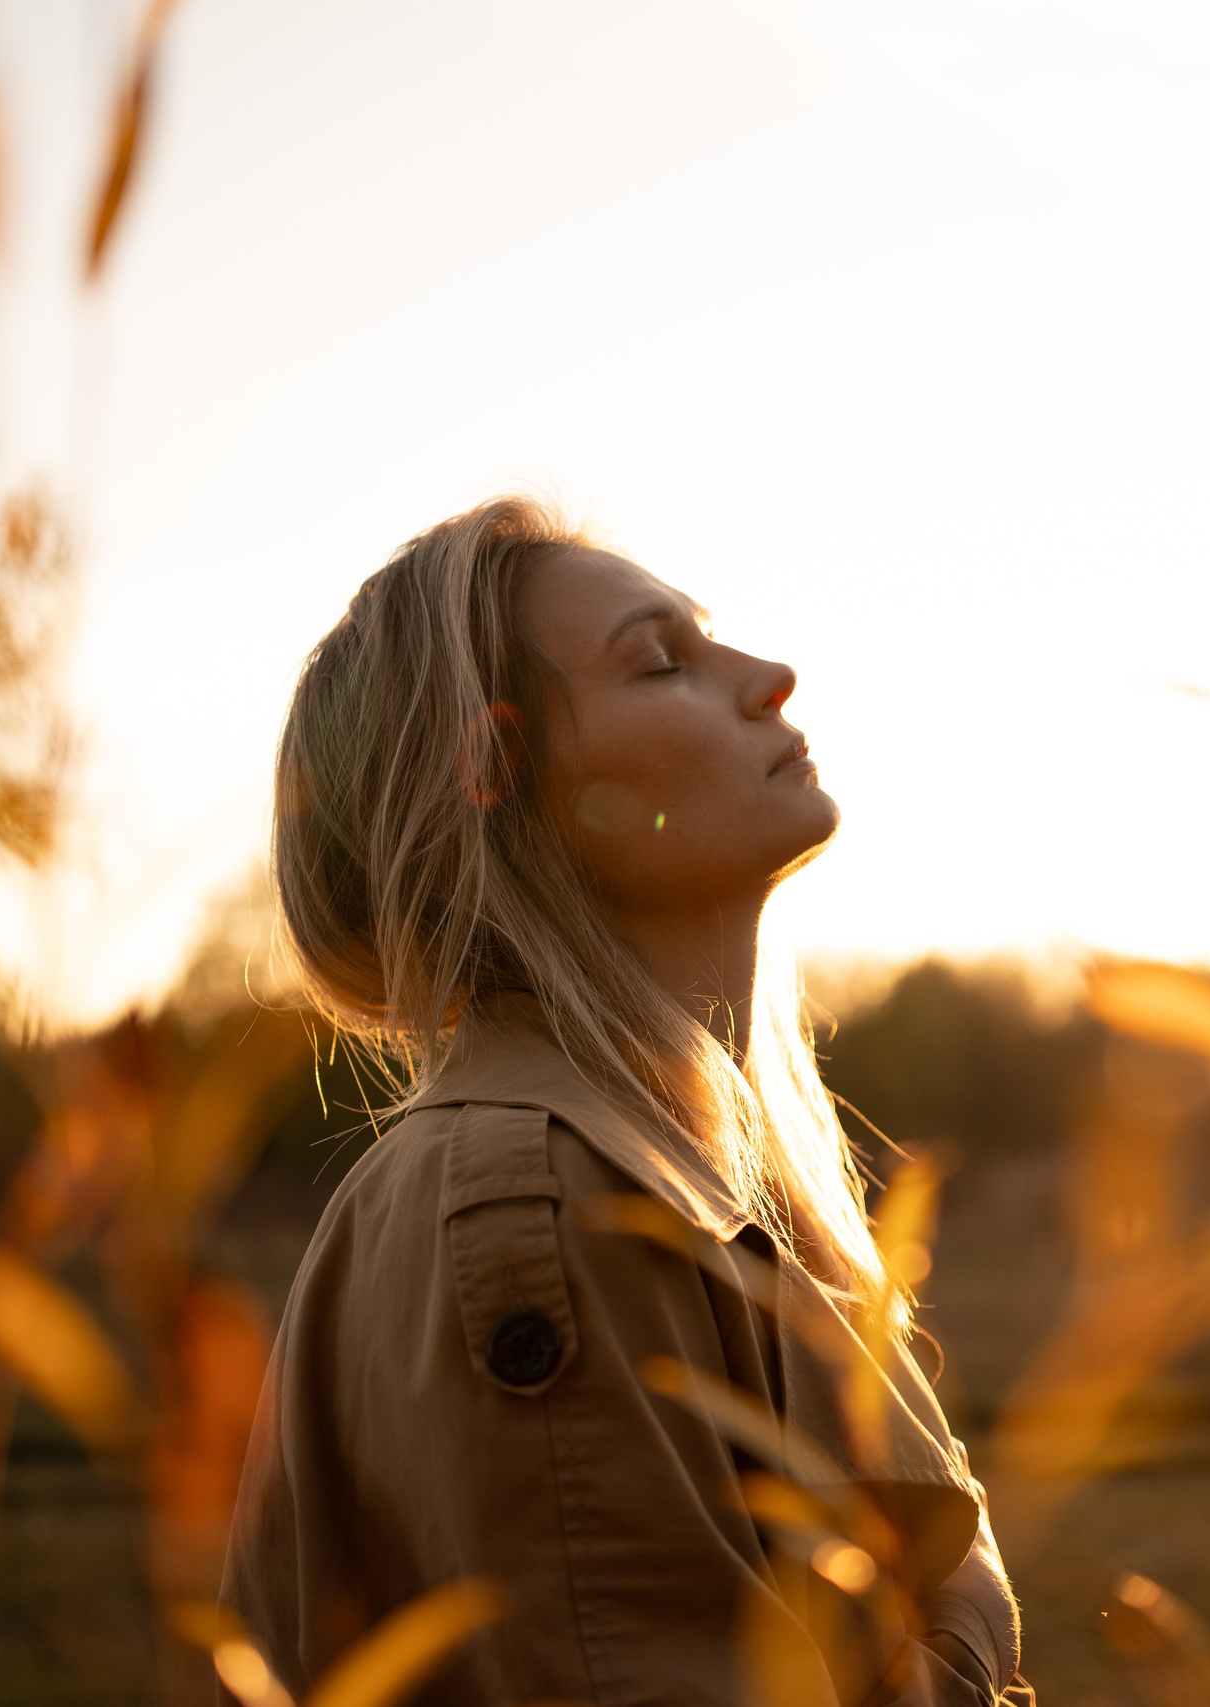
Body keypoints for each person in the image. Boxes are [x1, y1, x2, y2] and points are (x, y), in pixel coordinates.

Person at [224, 497, 1028, 1706]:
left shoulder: (662, 1181)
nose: (771, 677)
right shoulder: (537, 1198)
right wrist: (968, 1623)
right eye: (661, 663)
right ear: (497, 768)